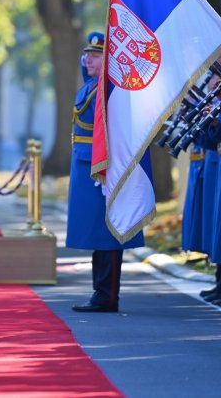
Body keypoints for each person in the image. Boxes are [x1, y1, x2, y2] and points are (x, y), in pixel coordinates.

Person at [67, 31, 144, 313]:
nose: (87, 59)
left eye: (95, 56)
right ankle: (101, 290)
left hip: (100, 167)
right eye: (86, 54)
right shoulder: (91, 86)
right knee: (95, 232)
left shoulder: (108, 88)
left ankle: (106, 293)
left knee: (106, 232)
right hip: (86, 163)